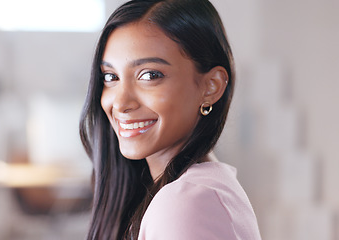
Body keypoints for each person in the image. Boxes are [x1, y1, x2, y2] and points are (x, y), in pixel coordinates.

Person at [79, 0, 261, 239]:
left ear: (211, 86)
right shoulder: (204, 191)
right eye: (111, 77)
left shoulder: (186, 202)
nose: (121, 104)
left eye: (149, 75)